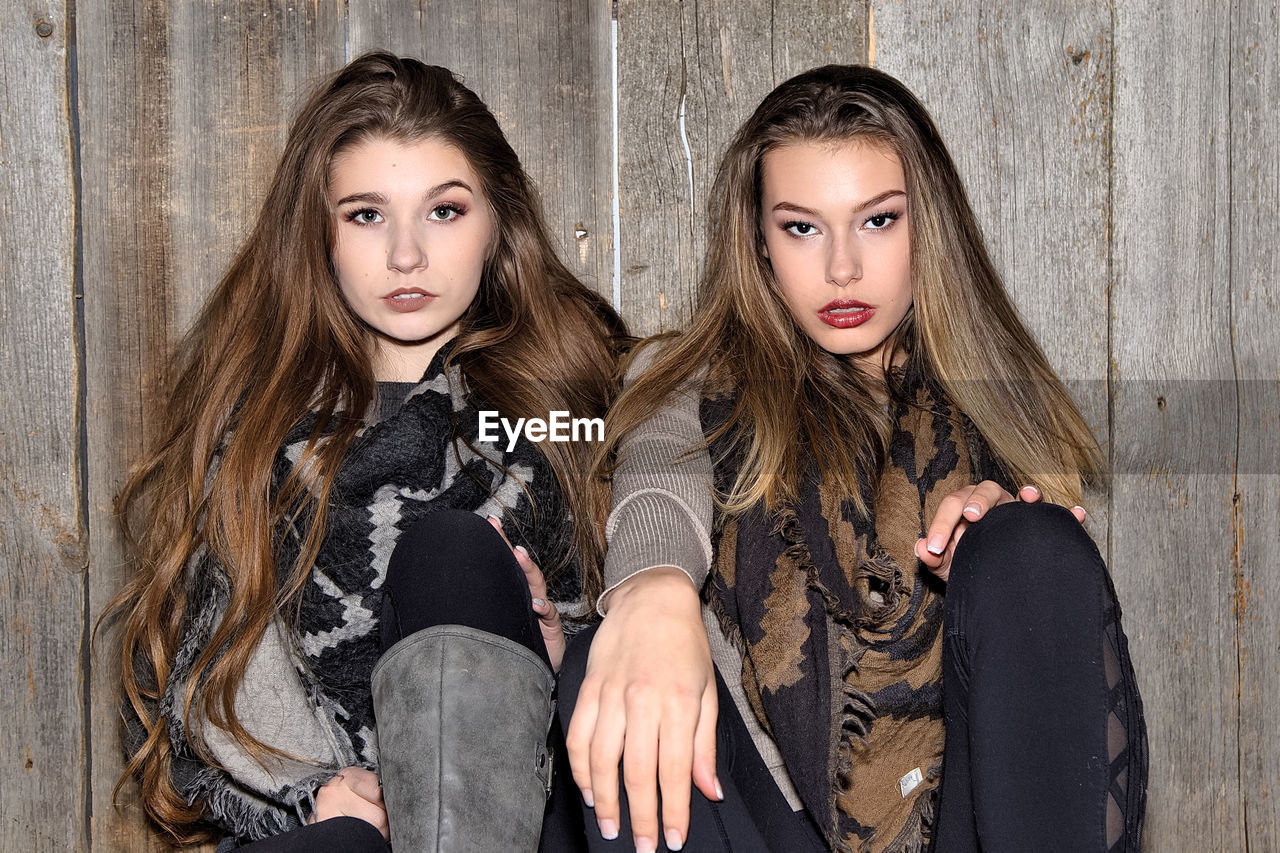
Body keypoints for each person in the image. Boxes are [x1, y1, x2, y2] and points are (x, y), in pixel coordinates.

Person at [562, 64, 1146, 853]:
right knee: (611, 660)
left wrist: (1009, 535)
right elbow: (661, 478)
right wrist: (654, 589)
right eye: (801, 227)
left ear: (927, 227)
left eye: (877, 221)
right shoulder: (691, 384)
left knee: (1030, 548)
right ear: (759, 244)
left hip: (966, 827)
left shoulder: (987, 412)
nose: (841, 268)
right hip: (768, 824)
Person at [106, 52, 625, 852]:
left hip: (547, 805)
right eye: (366, 214)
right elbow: (199, 709)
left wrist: (570, 656)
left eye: (444, 211)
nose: (407, 256)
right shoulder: (249, 437)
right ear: (319, 235)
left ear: (497, 223)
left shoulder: (576, 412)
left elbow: (674, 636)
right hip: (332, 823)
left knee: (452, 553)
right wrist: (313, 793)